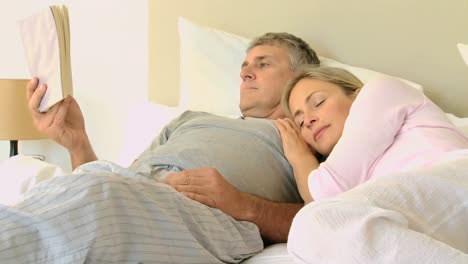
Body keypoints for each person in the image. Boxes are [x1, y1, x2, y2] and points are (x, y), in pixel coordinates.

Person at [0, 33, 319, 263]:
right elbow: (123, 182)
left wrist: (244, 205)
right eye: (245, 64)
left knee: (96, 196)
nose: (245, 71)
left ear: (301, 77)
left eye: (263, 64)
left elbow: (329, 216)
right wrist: (78, 142)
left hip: (203, 220)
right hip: (129, 197)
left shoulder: (309, 136)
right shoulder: (191, 119)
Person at [273, 66, 468, 263]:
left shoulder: (381, 90)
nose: (308, 120)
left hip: (456, 179)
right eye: (299, 122)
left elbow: (323, 192)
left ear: (356, 93)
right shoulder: (354, 185)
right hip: (435, 226)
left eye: (319, 102)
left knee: (311, 226)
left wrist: (300, 157)